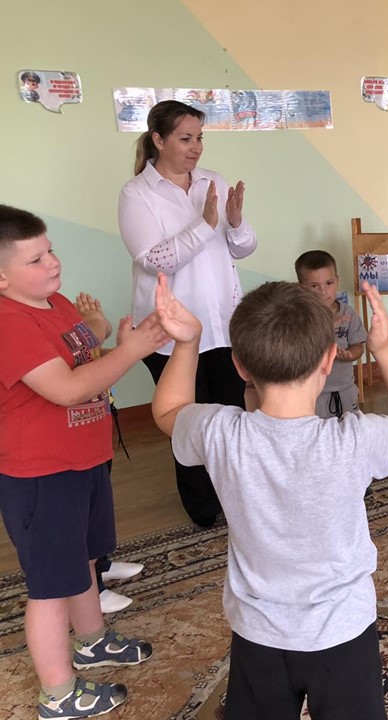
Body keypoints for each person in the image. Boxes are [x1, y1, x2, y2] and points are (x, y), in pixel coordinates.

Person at [152, 274, 388, 720]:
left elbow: (168, 410)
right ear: (329, 359)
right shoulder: (354, 440)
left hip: (259, 633)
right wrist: (382, 348)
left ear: (240, 366)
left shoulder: (221, 434)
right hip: (343, 631)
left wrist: (187, 343)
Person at [0, 205, 160, 719]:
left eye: (50, 250)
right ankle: (58, 692)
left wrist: (108, 335)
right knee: (51, 587)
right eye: (35, 259)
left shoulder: (58, 303)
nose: (53, 263)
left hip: (83, 460)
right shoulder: (9, 322)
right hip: (41, 474)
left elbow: (84, 358)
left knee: (86, 560)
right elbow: (67, 388)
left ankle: (92, 642)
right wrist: (131, 351)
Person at [118, 99, 257, 528]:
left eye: (199, 138)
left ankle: (235, 497)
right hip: (171, 333)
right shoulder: (136, 194)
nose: (195, 147)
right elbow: (154, 260)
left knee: (230, 415)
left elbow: (242, 249)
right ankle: (202, 508)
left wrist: (235, 222)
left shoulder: (212, 181)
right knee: (187, 420)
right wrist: (204, 225)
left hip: (223, 326)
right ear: (158, 140)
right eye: (185, 138)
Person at [73, 292, 145, 614]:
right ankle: (90, 588)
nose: (53, 267)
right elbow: (74, 369)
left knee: (98, 508)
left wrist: (124, 345)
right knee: (77, 519)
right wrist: (96, 327)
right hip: (66, 444)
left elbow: (92, 354)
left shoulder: (56, 307)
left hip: (94, 432)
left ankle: (100, 565)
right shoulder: (21, 320)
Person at [295, 250, 366, 419]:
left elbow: (358, 346)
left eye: (329, 283)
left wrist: (350, 355)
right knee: (319, 429)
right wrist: (327, 327)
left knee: (350, 427)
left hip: (346, 388)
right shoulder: (300, 317)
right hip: (314, 392)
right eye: (314, 286)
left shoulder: (348, 313)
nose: (323, 291)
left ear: (337, 281)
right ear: (301, 288)